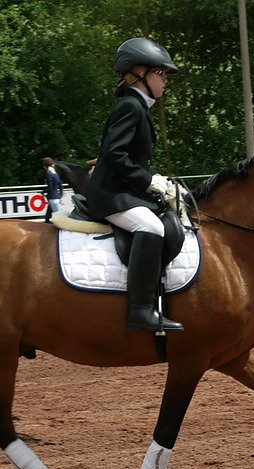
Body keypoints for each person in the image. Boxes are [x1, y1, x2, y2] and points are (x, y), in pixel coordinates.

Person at [85, 37, 182, 332]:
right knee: (151, 228)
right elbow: (114, 155)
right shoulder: (130, 106)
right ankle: (140, 310)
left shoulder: (140, 107)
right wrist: (149, 180)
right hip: (110, 195)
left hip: (125, 190)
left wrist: (157, 181)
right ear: (141, 74)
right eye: (161, 73)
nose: (165, 80)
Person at [42, 157, 63, 223]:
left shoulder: (49, 174)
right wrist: (60, 196)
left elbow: (50, 188)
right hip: (57, 197)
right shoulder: (55, 173)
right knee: (48, 215)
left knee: (60, 218)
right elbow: (61, 186)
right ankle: (46, 221)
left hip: (52, 198)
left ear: (45, 166)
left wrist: (43, 191)